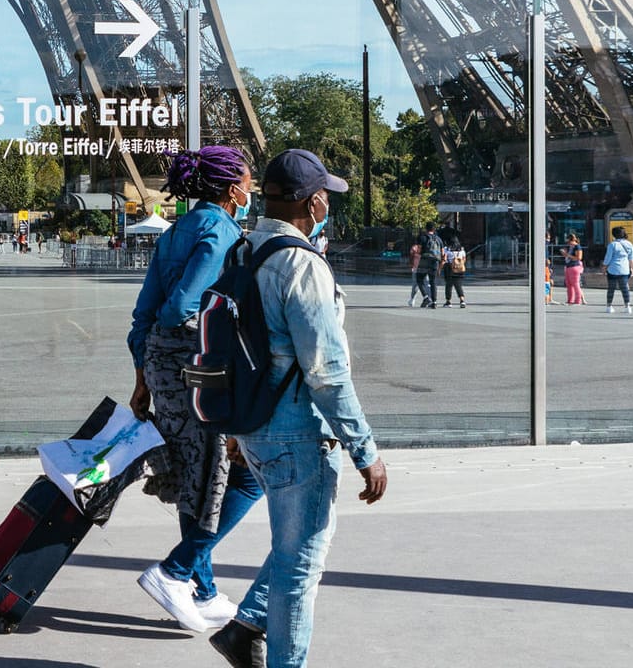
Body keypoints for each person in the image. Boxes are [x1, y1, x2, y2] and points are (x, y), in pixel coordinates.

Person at [211, 149, 386, 668]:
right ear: (312, 203)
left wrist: (237, 429)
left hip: (254, 423)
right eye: (325, 194)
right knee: (300, 565)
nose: (328, 201)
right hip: (296, 430)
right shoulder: (301, 264)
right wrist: (366, 450)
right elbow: (327, 372)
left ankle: (245, 629)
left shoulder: (243, 251)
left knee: (297, 545)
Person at [126, 146, 264, 633]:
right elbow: (183, 306)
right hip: (196, 365)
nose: (252, 191)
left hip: (164, 368)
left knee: (198, 477)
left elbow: (144, 315)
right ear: (232, 190)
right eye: (248, 182)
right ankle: (177, 571)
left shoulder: (176, 230)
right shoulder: (222, 231)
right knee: (233, 474)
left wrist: (143, 378)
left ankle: (200, 588)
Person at [602, 226, 633, 314]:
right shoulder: (629, 244)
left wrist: (604, 268)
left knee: (611, 288)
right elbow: (631, 258)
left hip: (613, 269)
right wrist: (631, 268)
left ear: (614, 234)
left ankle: (609, 306)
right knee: (624, 288)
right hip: (624, 269)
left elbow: (608, 258)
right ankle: (627, 306)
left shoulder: (612, 245)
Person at [413, 221, 442, 309]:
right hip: (435, 261)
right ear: (434, 229)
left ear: (426, 228)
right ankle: (435, 302)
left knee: (419, 279)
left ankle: (426, 297)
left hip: (424, 261)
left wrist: (415, 264)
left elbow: (418, 251)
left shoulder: (422, 238)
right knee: (433, 282)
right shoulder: (438, 239)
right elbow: (443, 253)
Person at [440, 236, 468, 308]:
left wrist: (439, 268)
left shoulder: (447, 249)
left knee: (449, 285)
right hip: (459, 269)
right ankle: (462, 300)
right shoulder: (461, 250)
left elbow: (444, 259)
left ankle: (448, 301)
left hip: (449, 268)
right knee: (458, 285)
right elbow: (464, 259)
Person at [563, 232, 584, 306]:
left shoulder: (577, 247)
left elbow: (579, 258)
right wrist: (564, 253)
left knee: (575, 284)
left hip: (575, 267)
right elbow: (566, 256)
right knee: (568, 284)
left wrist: (567, 255)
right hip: (568, 266)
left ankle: (578, 301)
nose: (568, 243)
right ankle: (570, 300)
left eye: (568, 240)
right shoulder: (568, 247)